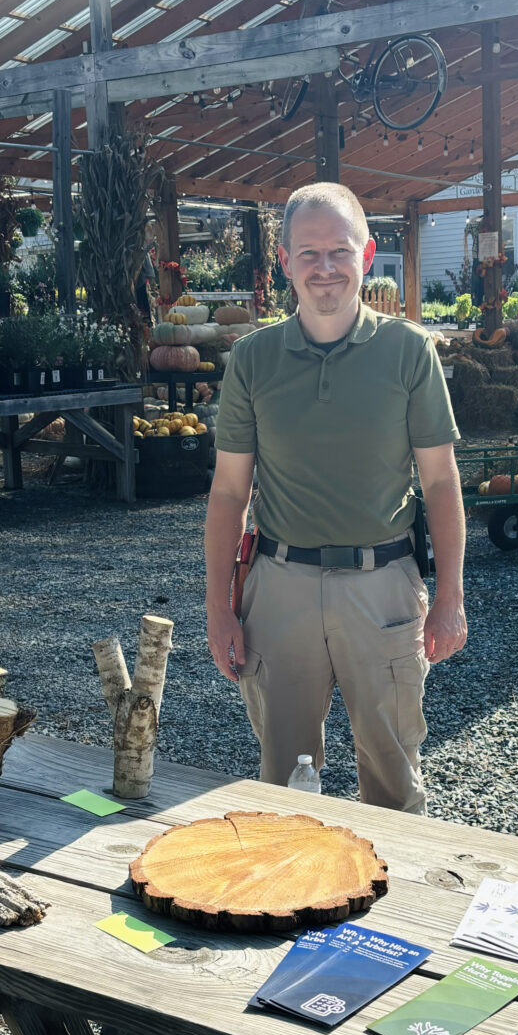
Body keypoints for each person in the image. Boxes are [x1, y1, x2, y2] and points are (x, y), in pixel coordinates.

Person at [204, 181, 467, 813]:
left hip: (383, 589)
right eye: (309, 253)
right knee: (285, 780)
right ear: (285, 262)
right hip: (280, 587)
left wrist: (451, 597)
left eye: (340, 251)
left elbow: (440, 481)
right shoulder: (252, 360)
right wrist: (219, 608)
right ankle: (291, 909)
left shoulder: (408, 352)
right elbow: (228, 493)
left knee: (392, 774)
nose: (325, 268)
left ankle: (402, 909)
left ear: (367, 254)